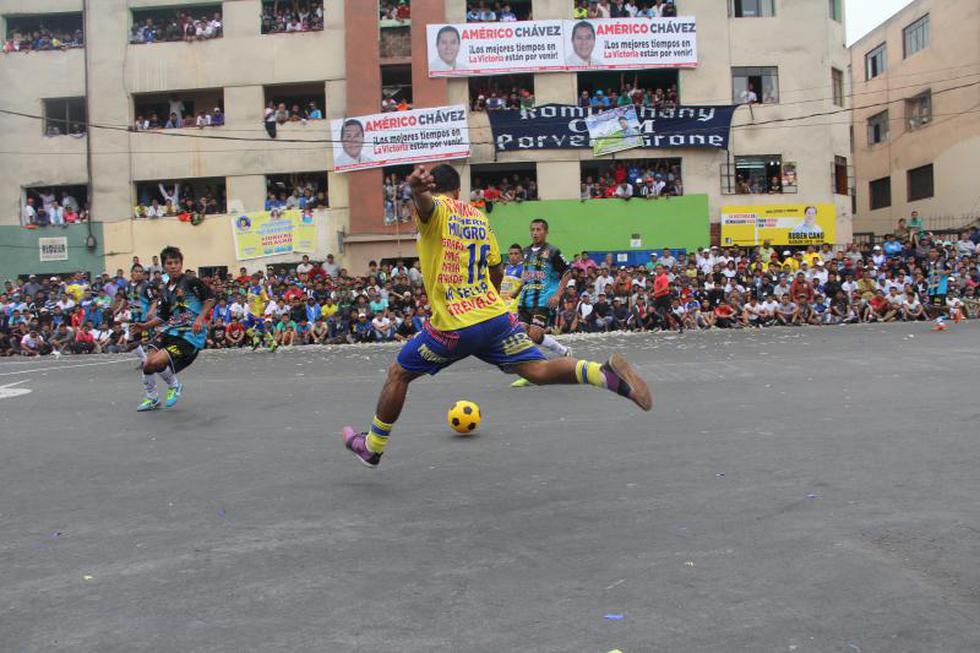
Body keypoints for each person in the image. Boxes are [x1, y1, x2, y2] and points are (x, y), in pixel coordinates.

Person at [340, 165, 651, 468]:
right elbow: (497, 270)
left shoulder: (436, 210)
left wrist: (417, 191)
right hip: (494, 317)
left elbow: (425, 206)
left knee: (399, 373)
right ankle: (602, 373)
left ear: (435, 189)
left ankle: (372, 447)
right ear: (458, 190)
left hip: (454, 326)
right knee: (537, 369)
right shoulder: (478, 217)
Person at [130, 246, 214, 411]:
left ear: (181, 264)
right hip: (171, 330)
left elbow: (210, 298)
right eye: (170, 263)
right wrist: (144, 326)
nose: (174, 266)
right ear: (164, 266)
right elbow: (163, 317)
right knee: (147, 364)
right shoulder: (165, 290)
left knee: (157, 361)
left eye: (176, 262)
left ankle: (174, 385)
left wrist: (200, 318)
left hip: (189, 335)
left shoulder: (190, 281)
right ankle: (152, 398)